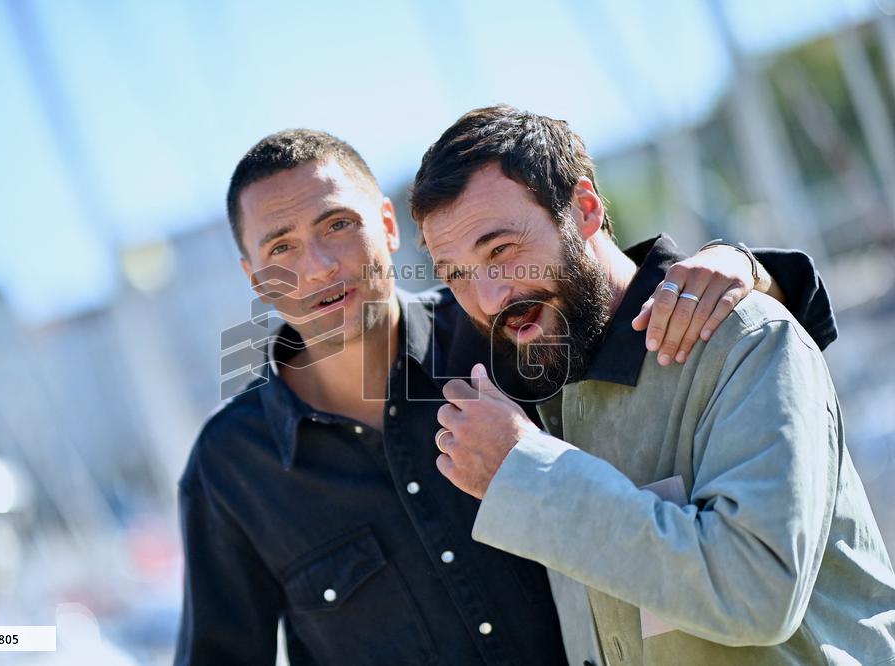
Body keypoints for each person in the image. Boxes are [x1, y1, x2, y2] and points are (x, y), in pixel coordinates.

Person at [174, 128, 836, 665]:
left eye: (338, 224)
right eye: (281, 247)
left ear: (388, 225)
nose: (318, 266)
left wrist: (749, 269)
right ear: (254, 278)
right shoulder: (228, 468)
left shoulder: (503, 328)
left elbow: (632, 308)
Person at [410, 104, 895, 665]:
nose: (490, 297)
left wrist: (526, 473)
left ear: (585, 209)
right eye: (457, 275)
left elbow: (756, 593)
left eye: (501, 251)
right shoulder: (546, 374)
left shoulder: (744, 338)